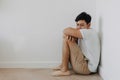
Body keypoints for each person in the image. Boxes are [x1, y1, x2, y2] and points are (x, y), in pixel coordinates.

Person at [52, 12, 100, 76]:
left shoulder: (88, 32)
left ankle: (64, 69)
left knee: (67, 39)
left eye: (82, 25)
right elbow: (66, 33)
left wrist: (69, 35)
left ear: (88, 25)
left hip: (86, 68)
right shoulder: (85, 33)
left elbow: (65, 30)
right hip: (85, 65)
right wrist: (71, 36)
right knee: (68, 38)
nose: (79, 27)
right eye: (77, 24)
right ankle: (63, 65)